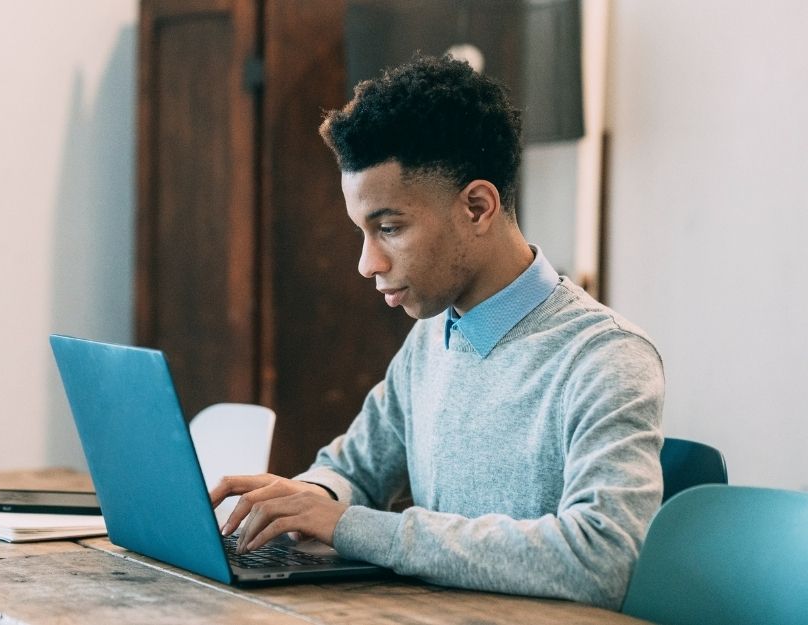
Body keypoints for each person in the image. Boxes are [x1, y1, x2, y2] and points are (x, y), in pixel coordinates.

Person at [208, 55, 664, 610]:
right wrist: (306, 499)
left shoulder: (606, 358)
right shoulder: (431, 336)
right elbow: (353, 470)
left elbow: (602, 559)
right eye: (363, 231)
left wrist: (354, 527)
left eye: (390, 228)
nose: (366, 263)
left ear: (477, 207)